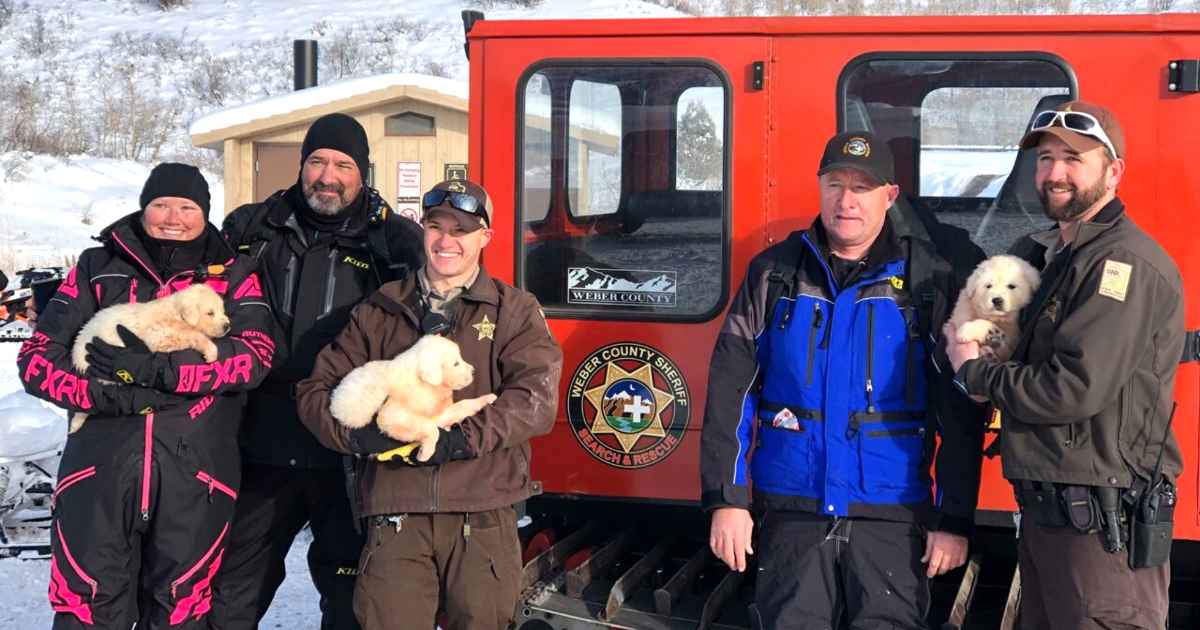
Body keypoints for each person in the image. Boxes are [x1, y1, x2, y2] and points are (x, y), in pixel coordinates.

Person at [701, 131, 987, 629]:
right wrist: (727, 500)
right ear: (819, 187)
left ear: (890, 196)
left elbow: (958, 409)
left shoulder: (926, 282)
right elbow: (731, 391)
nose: (847, 200)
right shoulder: (774, 275)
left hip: (891, 518)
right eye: (836, 184)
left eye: (863, 187)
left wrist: (954, 520)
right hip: (793, 511)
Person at [947, 100, 1183, 630]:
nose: (1055, 172)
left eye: (1074, 158)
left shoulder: (1121, 263)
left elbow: (1073, 387)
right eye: (1046, 158)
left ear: (1114, 170)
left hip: (1102, 534)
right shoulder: (1054, 255)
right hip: (1053, 517)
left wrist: (974, 374)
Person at [16, 163, 276, 629]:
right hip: (98, 470)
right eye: (161, 205)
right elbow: (37, 359)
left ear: (205, 213)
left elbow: (254, 356)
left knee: (182, 607)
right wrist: (104, 395)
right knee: (87, 605)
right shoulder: (97, 266)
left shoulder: (233, 274)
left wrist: (163, 372)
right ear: (143, 206)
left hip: (196, 473)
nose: (173, 217)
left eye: (187, 206)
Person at [296, 179, 562, 630]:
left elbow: (535, 400)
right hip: (396, 510)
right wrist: (357, 436)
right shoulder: (379, 310)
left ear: (484, 237)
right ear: (422, 231)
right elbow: (313, 390)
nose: (446, 241)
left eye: (461, 230)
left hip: (481, 509)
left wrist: (456, 440)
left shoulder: (513, 311)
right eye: (436, 226)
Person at [209, 113, 424, 630]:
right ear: (303, 164)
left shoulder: (395, 242)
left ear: (362, 172)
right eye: (317, 161)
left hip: (346, 452)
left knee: (351, 597)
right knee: (232, 592)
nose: (328, 176)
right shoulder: (250, 228)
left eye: (343, 164)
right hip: (260, 446)